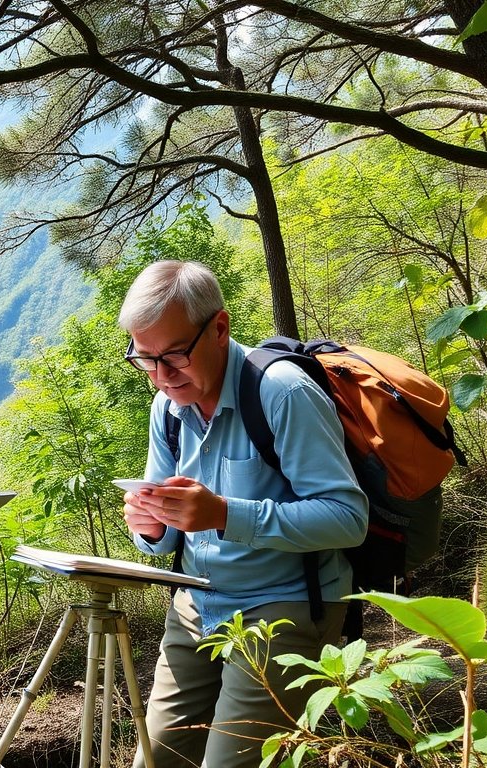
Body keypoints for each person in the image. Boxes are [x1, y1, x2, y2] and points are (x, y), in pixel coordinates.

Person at [120, 260, 368, 768]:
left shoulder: (281, 392)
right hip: (196, 604)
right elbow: (168, 537)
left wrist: (224, 514)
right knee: (157, 757)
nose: (161, 378)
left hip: (286, 603)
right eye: (145, 360)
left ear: (219, 328)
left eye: (174, 356)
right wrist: (151, 527)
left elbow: (347, 518)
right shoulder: (166, 408)